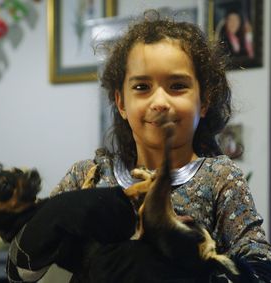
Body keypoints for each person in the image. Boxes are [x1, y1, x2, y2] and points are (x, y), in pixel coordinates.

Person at [50, 10, 271, 283]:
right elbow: (30, 263)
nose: (160, 102)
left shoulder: (220, 179)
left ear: (204, 101)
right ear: (120, 103)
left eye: (177, 85)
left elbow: (260, 266)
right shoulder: (85, 177)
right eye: (142, 87)